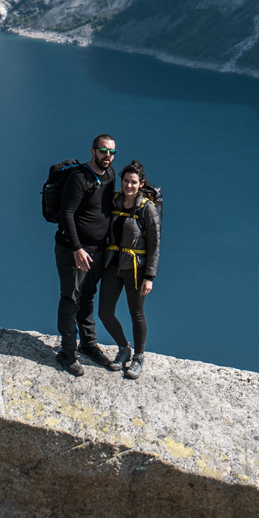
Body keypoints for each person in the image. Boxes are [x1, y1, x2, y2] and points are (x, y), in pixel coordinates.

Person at [53, 133, 119, 374]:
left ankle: (89, 345)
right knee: (71, 298)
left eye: (112, 152)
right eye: (103, 151)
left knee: (88, 296)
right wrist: (77, 248)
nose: (108, 156)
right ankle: (67, 353)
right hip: (74, 250)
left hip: (98, 250)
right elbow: (66, 214)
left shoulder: (110, 175)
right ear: (92, 151)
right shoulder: (79, 178)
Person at [99, 161, 160, 378]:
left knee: (136, 313)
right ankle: (124, 348)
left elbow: (154, 245)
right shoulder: (114, 201)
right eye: (126, 181)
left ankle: (139, 357)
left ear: (141, 184)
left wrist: (150, 276)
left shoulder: (147, 210)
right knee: (104, 313)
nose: (129, 186)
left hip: (136, 269)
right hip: (112, 265)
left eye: (133, 182)